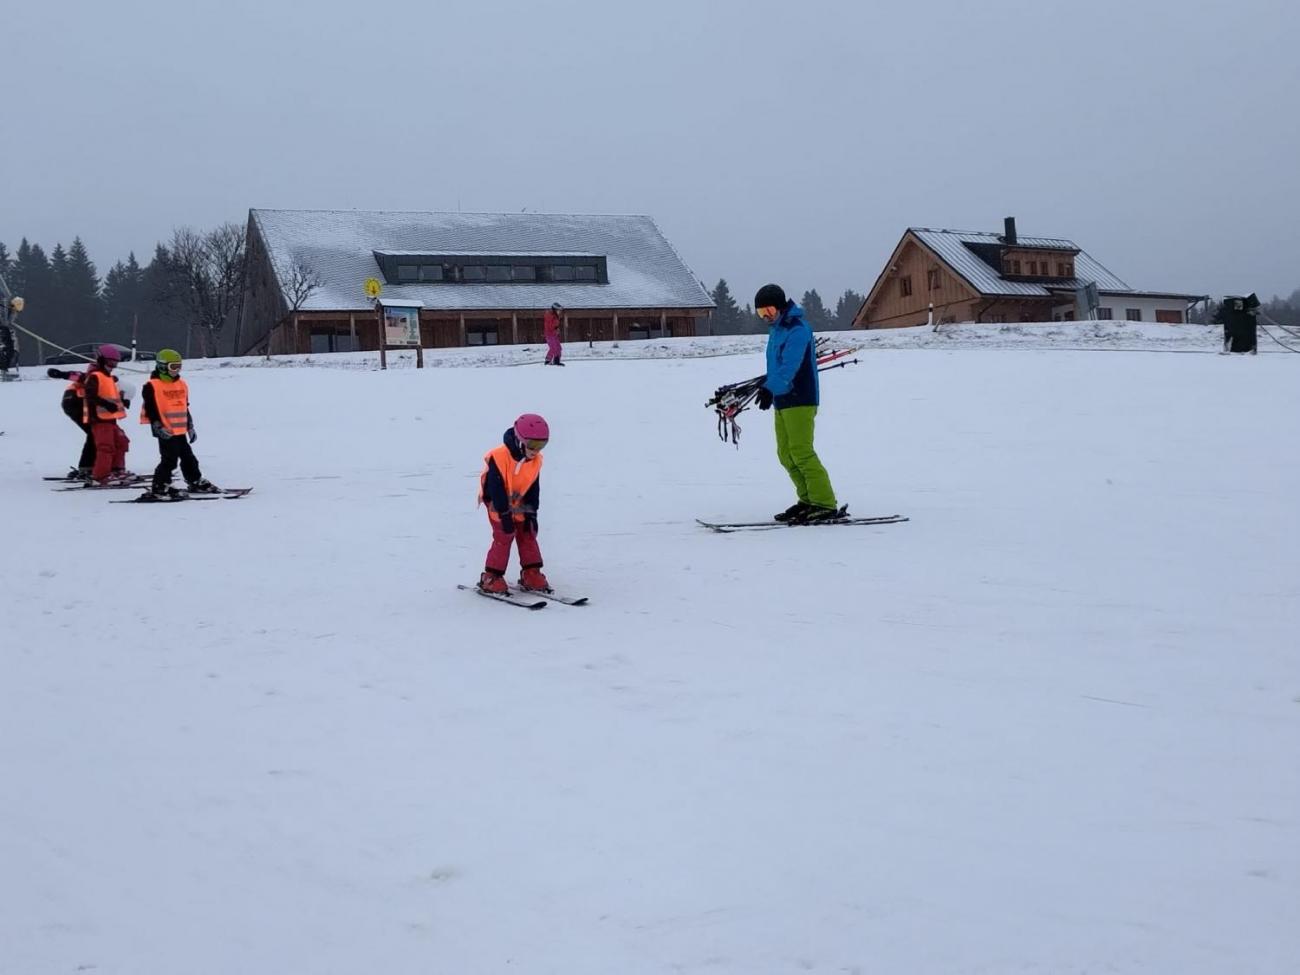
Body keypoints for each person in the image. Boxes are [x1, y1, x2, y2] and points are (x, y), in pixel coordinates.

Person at [753, 283, 840, 523]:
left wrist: (771, 388)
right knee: (786, 454)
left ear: (781, 306)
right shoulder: (777, 330)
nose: (766, 317)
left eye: (769, 311)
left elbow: (789, 366)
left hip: (800, 397)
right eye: (761, 313)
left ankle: (824, 502)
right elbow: (777, 366)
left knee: (801, 452)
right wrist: (769, 388)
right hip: (782, 398)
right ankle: (808, 500)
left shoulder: (797, 329)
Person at [478, 414, 551, 593]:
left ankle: (531, 573)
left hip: (520, 500)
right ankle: (491, 576)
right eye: (533, 445)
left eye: (542, 445)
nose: (536, 450)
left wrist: (532, 513)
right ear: (520, 440)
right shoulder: (499, 456)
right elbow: (495, 490)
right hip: (498, 502)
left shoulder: (535, 461)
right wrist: (504, 515)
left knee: (528, 533)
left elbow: (534, 487)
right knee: (505, 534)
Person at [139, 349, 218, 497]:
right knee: (169, 460)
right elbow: (150, 409)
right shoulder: (152, 386)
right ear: (162, 367)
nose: (176, 371)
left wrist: (190, 426)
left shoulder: (181, 384)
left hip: (180, 430)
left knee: (189, 458)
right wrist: (157, 426)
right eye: (173, 367)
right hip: (165, 430)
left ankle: (195, 480)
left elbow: (184, 407)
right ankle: (160, 486)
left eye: (178, 367)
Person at [81, 344, 132, 485]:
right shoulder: (95, 376)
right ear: (102, 360)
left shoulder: (108, 378)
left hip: (110, 419)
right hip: (99, 419)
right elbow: (89, 395)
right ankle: (100, 476)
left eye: (115, 363)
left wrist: (122, 402)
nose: (113, 366)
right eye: (110, 362)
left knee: (122, 442)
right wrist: (105, 404)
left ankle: (117, 470)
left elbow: (110, 396)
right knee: (106, 447)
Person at [47, 366, 96, 478]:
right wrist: (60, 374)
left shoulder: (96, 377)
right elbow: (76, 375)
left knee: (93, 434)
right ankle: (87, 466)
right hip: (75, 402)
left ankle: (89, 465)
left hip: (73, 403)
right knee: (94, 434)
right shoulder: (92, 377)